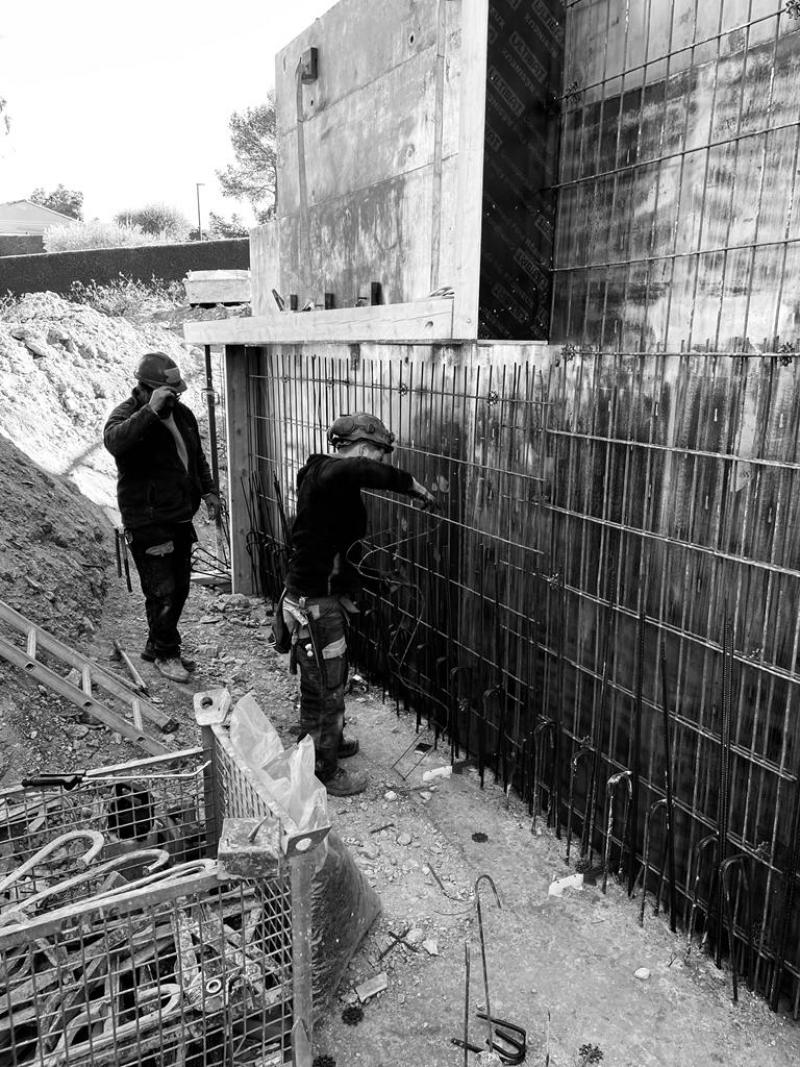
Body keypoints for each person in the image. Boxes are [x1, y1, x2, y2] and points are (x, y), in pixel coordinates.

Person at [281, 412, 437, 797]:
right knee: (329, 686)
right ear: (365, 449)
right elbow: (358, 471)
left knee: (317, 679)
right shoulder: (331, 473)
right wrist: (411, 485)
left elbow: (333, 544)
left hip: (315, 595)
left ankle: (313, 744)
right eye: (380, 455)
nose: (380, 463)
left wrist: (347, 588)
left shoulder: (327, 481)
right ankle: (324, 768)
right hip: (313, 605)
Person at [103, 352, 220, 683]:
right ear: (149, 388)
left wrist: (209, 491)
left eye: (177, 392)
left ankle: (157, 646)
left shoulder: (182, 415)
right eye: (171, 392)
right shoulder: (128, 415)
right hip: (148, 521)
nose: (177, 397)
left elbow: (196, 458)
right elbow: (114, 442)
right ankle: (167, 653)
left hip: (179, 516)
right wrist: (150, 411)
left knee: (180, 588)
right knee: (162, 591)